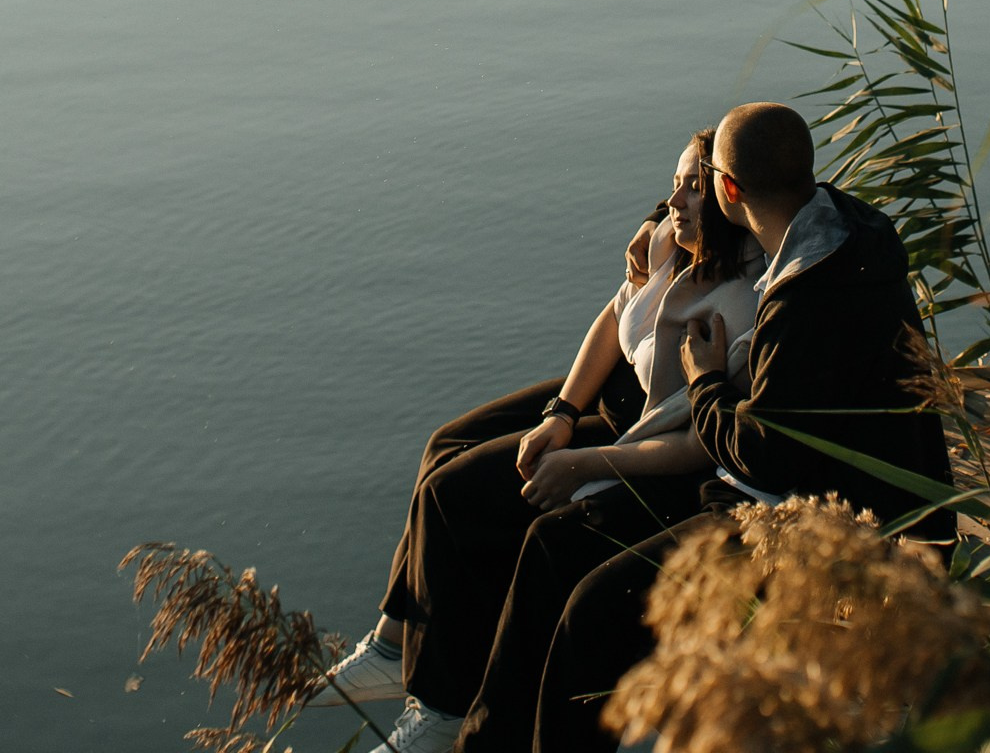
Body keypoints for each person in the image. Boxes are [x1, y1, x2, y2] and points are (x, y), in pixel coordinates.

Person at [508, 101, 955, 753]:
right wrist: (655, 220)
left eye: (704, 179)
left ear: (728, 190)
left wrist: (706, 377)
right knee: (574, 565)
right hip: (892, 496)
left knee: (593, 608)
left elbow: (763, 457)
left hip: (834, 522)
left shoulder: (805, 296)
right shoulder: (855, 229)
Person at [322, 130, 763, 753]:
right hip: (618, 404)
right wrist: (560, 413)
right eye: (673, 187)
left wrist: (577, 459)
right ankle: (401, 648)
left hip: (652, 444)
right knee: (446, 448)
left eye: (694, 189)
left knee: (471, 502)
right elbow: (615, 318)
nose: (674, 203)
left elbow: (699, 441)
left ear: (729, 196)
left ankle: (450, 712)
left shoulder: (736, 307)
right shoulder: (667, 240)